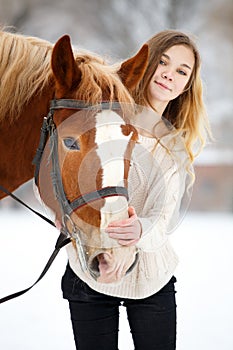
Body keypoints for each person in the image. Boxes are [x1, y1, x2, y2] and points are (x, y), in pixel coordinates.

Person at [60, 30, 211, 349]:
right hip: (89, 274)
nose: (170, 74)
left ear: (186, 85)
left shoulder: (172, 145)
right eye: (163, 62)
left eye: (182, 71)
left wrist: (137, 231)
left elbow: (162, 216)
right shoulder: (103, 115)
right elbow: (61, 167)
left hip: (150, 280)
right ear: (146, 63)